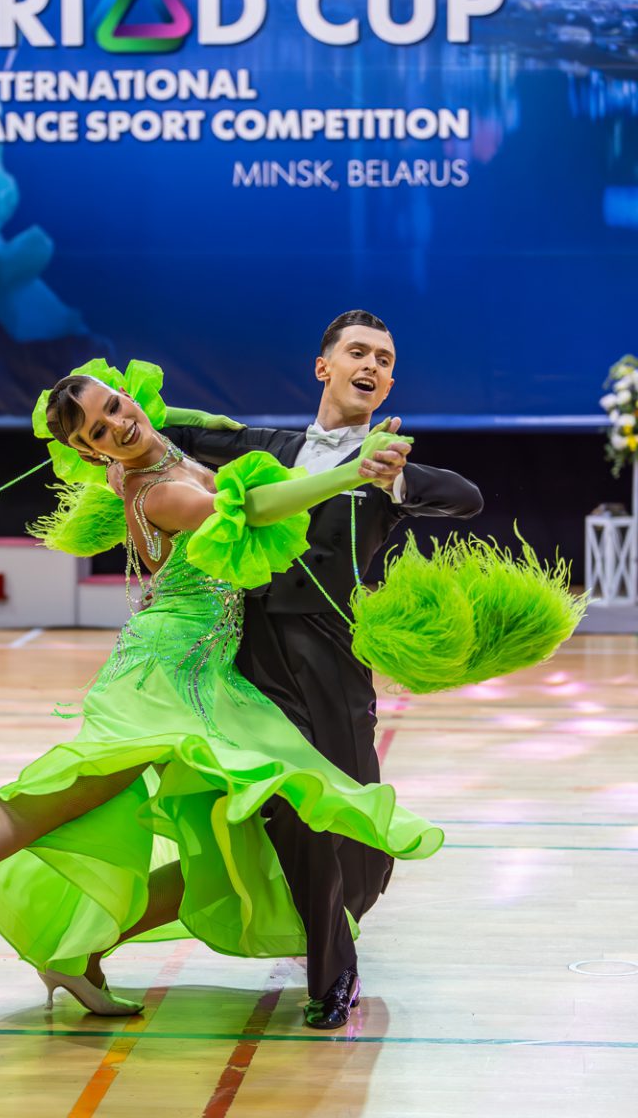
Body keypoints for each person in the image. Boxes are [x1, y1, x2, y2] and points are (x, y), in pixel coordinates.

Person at [0, 369, 443, 1016]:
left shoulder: (143, 464)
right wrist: (351, 471)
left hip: (208, 675)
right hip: (165, 667)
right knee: (74, 787)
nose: (119, 424)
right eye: (99, 430)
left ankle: (78, 955)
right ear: (90, 451)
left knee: (226, 845)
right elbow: (256, 509)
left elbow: (179, 425)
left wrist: (192, 425)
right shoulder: (159, 490)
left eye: (117, 407)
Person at [165, 310, 483, 1028]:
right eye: (358, 352)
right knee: (287, 801)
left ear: (389, 384)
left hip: (333, 657)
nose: (371, 366)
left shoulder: (386, 463)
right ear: (324, 367)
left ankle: (337, 917)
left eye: (384, 360)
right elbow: (172, 430)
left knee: (357, 838)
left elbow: (468, 499)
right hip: (254, 654)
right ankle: (332, 970)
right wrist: (107, 414)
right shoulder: (268, 448)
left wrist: (394, 480)